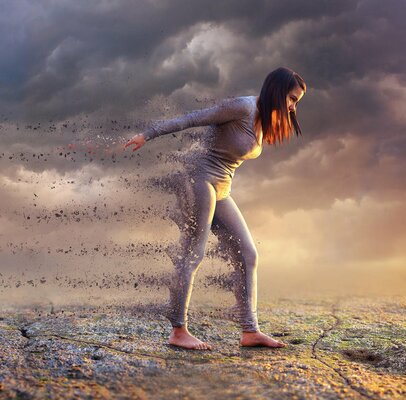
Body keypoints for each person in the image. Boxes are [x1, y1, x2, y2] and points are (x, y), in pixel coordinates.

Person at [124, 67, 306, 350]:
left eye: (297, 102)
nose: (293, 107)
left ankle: (250, 331)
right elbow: (192, 119)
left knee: (248, 253)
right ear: (277, 91)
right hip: (198, 179)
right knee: (193, 253)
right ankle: (178, 330)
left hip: (222, 188)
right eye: (292, 99)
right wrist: (146, 134)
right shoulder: (241, 107)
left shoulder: (264, 119)